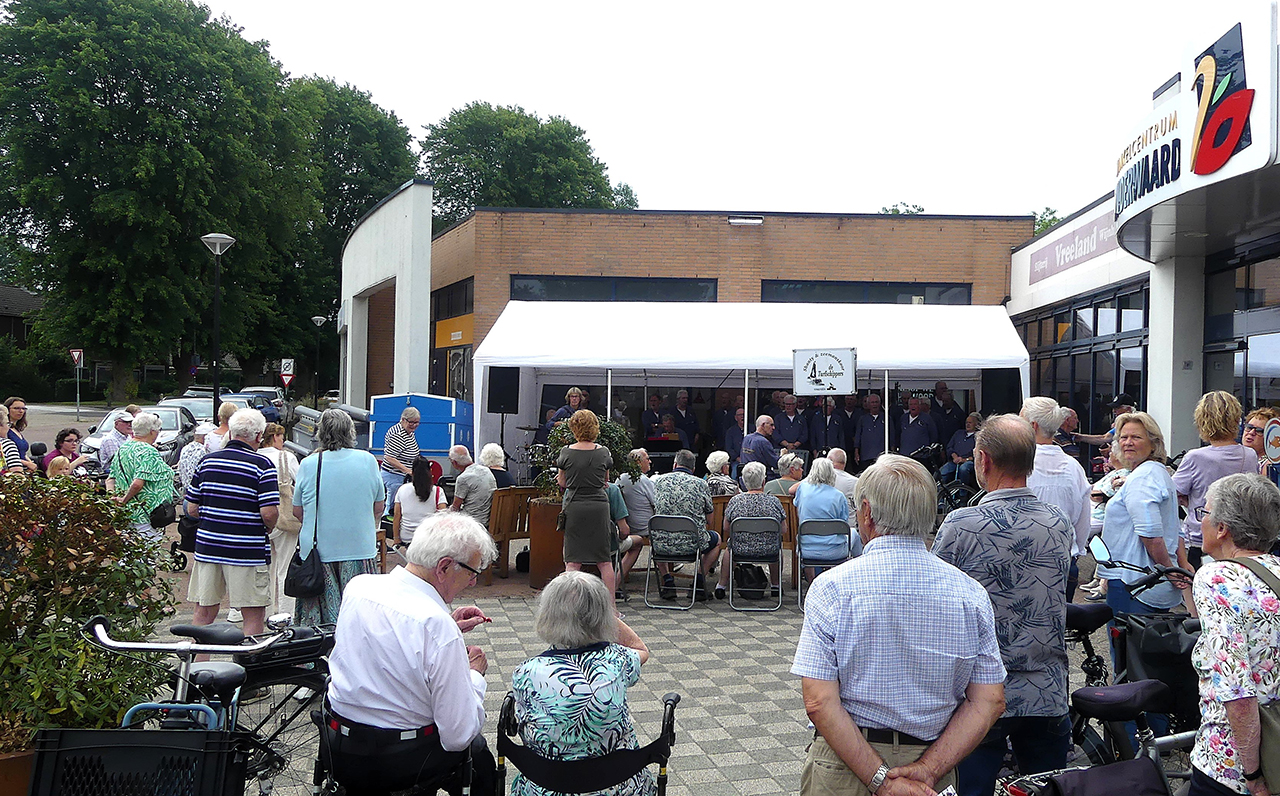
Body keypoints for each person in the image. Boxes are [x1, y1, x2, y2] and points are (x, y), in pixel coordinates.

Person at [792, 453, 1007, 796]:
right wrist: (928, 769)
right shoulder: (970, 593)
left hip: (846, 762)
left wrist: (880, 780)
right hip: (932, 763)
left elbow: (819, 701)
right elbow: (989, 701)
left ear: (866, 513)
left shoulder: (832, 587)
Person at [932, 415, 1074, 796]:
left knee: (971, 789)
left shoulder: (962, 525)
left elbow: (935, 599)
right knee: (1046, 789)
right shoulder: (1058, 523)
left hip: (979, 696)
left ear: (983, 460)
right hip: (1046, 690)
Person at [323, 512, 498, 796]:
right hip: (401, 759)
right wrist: (474, 676)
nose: (472, 583)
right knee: (478, 754)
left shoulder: (359, 586)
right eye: (472, 572)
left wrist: (446, 628)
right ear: (443, 567)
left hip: (340, 745)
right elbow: (458, 735)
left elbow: (388, 643)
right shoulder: (436, 627)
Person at [510, 571, 653, 796]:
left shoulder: (525, 672)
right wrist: (601, 615)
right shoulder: (617, 661)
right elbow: (640, 648)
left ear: (547, 614)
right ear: (602, 616)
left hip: (547, 788)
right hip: (618, 788)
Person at [1188, 473, 1280, 796]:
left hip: (1230, 767)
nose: (1202, 522)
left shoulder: (1217, 578)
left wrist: (1254, 775)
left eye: (1205, 513)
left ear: (1223, 527)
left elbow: (1237, 689)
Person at [184, 408, 278, 637]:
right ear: (258, 435)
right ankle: (250, 666)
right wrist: (266, 527)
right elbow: (268, 513)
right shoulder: (262, 466)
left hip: (209, 547)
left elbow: (191, 508)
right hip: (246, 549)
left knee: (204, 611)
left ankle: (197, 666)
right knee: (253, 613)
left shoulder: (207, 462)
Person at [292, 409, 384, 627]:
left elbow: (298, 511)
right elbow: (378, 507)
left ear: (321, 433)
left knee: (320, 623)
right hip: (359, 547)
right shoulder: (368, 460)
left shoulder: (309, 464)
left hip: (318, 553)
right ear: (351, 432)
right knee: (361, 619)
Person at [1098, 411, 1189, 618]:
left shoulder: (1144, 477)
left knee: (1128, 649)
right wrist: (1180, 564)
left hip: (1134, 582)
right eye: (1123, 437)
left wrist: (1169, 569)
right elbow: (1175, 527)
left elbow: (1150, 533)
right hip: (1146, 582)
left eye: (1136, 437)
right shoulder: (1157, 472)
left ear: (1153, 443)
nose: (1128, 442)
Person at [1173, 391, 1259, 571]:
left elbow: (1173, 493)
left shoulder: (1195, 457)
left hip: (1201, 539)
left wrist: (1189, 499)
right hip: (1237, 539)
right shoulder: (1249, 455)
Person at [1022, 397, 1091, 600]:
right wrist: (1074, 551)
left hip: (1028, 561)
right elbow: (1083, 524)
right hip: (1065, 559)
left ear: (1032, 426)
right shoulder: (1074, 467)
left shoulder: (1020, 465)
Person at [555, 410, 617, 605]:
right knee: (604, 561)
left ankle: (570, 606)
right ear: (595, 427)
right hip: (599, 506)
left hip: (575, 505)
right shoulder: (603, 452)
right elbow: (605, 480)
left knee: (573, 562)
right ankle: (612, 609)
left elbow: (563, 482)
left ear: (574, 428)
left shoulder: (566, 452)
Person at [652, 448, 720, 599]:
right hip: (692, 544)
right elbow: (710, 520)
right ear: (693, 468)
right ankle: (699, 583)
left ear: (674, 464)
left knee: (655, 535)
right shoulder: (701, 484)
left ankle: (668, 581)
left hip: (662, 544)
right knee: (717, 540)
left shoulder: (659, 481)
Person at [712, 461, 786, 599]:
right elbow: (783, 529)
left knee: (730, 547)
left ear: (744, 482)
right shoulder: (774, 501)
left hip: (741, 549)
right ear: (764, 481)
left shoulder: (736, 501)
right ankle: (776, 585)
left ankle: (721, 585)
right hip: (768, 549)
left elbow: (726, 527)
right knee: (778, 546)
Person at [110, 412, 176, 542]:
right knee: (148, 556)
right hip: (146, 515)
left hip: (126, 514)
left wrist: (113, 499)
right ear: (152, 431)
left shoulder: (123, 448)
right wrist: (124, 499)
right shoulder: (148, 451)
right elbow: (137, 484)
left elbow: (110, 479)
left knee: (128, 554)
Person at [258, 422, 300, 615]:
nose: (282, 441)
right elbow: (300, 483)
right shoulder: (286, 457)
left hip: (259, 516)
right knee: (285, 567)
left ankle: (264, 612)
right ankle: (285, 614)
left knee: (264, 569)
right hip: (284, 516)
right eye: (281, 437)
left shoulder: (254, 457)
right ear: (274, 437)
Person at [793, 458, 852, 582]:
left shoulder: (802, 488)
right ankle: (852, 578)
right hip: (835, 550)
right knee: (854, 535)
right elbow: (843, 523)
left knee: (806, 535)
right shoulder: (838, 496)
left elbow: (797, 506)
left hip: (807, 550)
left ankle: (811, 583)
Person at [617, 448, 657, 583]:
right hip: (644, 528)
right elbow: (656, 503)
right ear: (639, 463)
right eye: (647, 459)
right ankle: (666, 574)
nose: (650, 461)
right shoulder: (645, 481)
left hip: (626, 526)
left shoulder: (619, 479)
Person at [394, 456, 448, 548]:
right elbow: (443, 516)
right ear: (430, 471)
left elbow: (397, 515)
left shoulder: (402, 489)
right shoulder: (438, 491)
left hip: (407, 538)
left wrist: (396, 538)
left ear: (412, 472)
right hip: (429, 538)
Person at [380, 406, 421, 509]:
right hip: (394, 475)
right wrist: (408, 471)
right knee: (392, 506)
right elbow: (389, 457)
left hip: (402, 477)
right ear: (403, 420)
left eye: (417, 422)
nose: (414, 425)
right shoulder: (398, 434)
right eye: (411, 422)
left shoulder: (409, 432)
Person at [450, 445, 497, 529]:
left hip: (471, 523)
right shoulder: (486, 470)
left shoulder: (463, 478)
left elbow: (455, 507)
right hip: (489, 520)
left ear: (454, 462)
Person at [1072, 393, 1136, 448]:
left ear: (1128, 409)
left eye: (1117, 408)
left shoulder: (1137, 423)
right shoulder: (1120, 424)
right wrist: (1081, 437)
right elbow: (1105, 437)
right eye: (1113, 408)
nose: (1114, 411)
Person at [1241, 407, 1279, 488]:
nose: (1251, 433)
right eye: (1249, 427)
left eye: (1259, 431)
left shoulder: (1269, 465)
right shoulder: (1239, 456)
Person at [941, 413, 981, 487]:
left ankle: (963, 494)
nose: (967, 424)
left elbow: (978, 454)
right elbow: (949, 447)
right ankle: (941, 495)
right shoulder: (958, 433)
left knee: (963, 469)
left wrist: (964, 459)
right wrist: (954, 456)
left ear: (976, 424)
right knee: (942, 472)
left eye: (970, 423)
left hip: (969, 461)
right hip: (955, 460)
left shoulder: (978, 437)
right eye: (966, 422)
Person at [853, 393, 890, 472]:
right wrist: (856, 453)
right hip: (866, 456)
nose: (874, 404)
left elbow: (892, 436)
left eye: (876, 402)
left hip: (882, 456)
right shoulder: (862, 419)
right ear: (868, 405)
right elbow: (858, 437)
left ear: (880, 404)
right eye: (872, 402)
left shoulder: (887, 418)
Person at [177, 422, 214, 496]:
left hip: (187, 493)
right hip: (198, 496)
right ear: (205, 437)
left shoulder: (185, 448)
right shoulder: (204, 451)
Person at [3, 396, 36, 471]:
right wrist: (27, 464)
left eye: (23, 409)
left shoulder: (16, 429)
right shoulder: (4, 430)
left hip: (24, 469)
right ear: (7, 410)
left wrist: (30, 463)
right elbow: (4, 455)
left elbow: (23, 453)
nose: (21, 411)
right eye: (16, 408)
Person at [723, 407, 746, 474]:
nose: (742, 417)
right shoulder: (731, 431)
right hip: (736, 461)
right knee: (734, 473)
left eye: (744, 414)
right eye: (740, 415)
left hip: (751, 460)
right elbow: (728, 448)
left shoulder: (752, 429)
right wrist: (737, 458)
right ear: (736, 418)